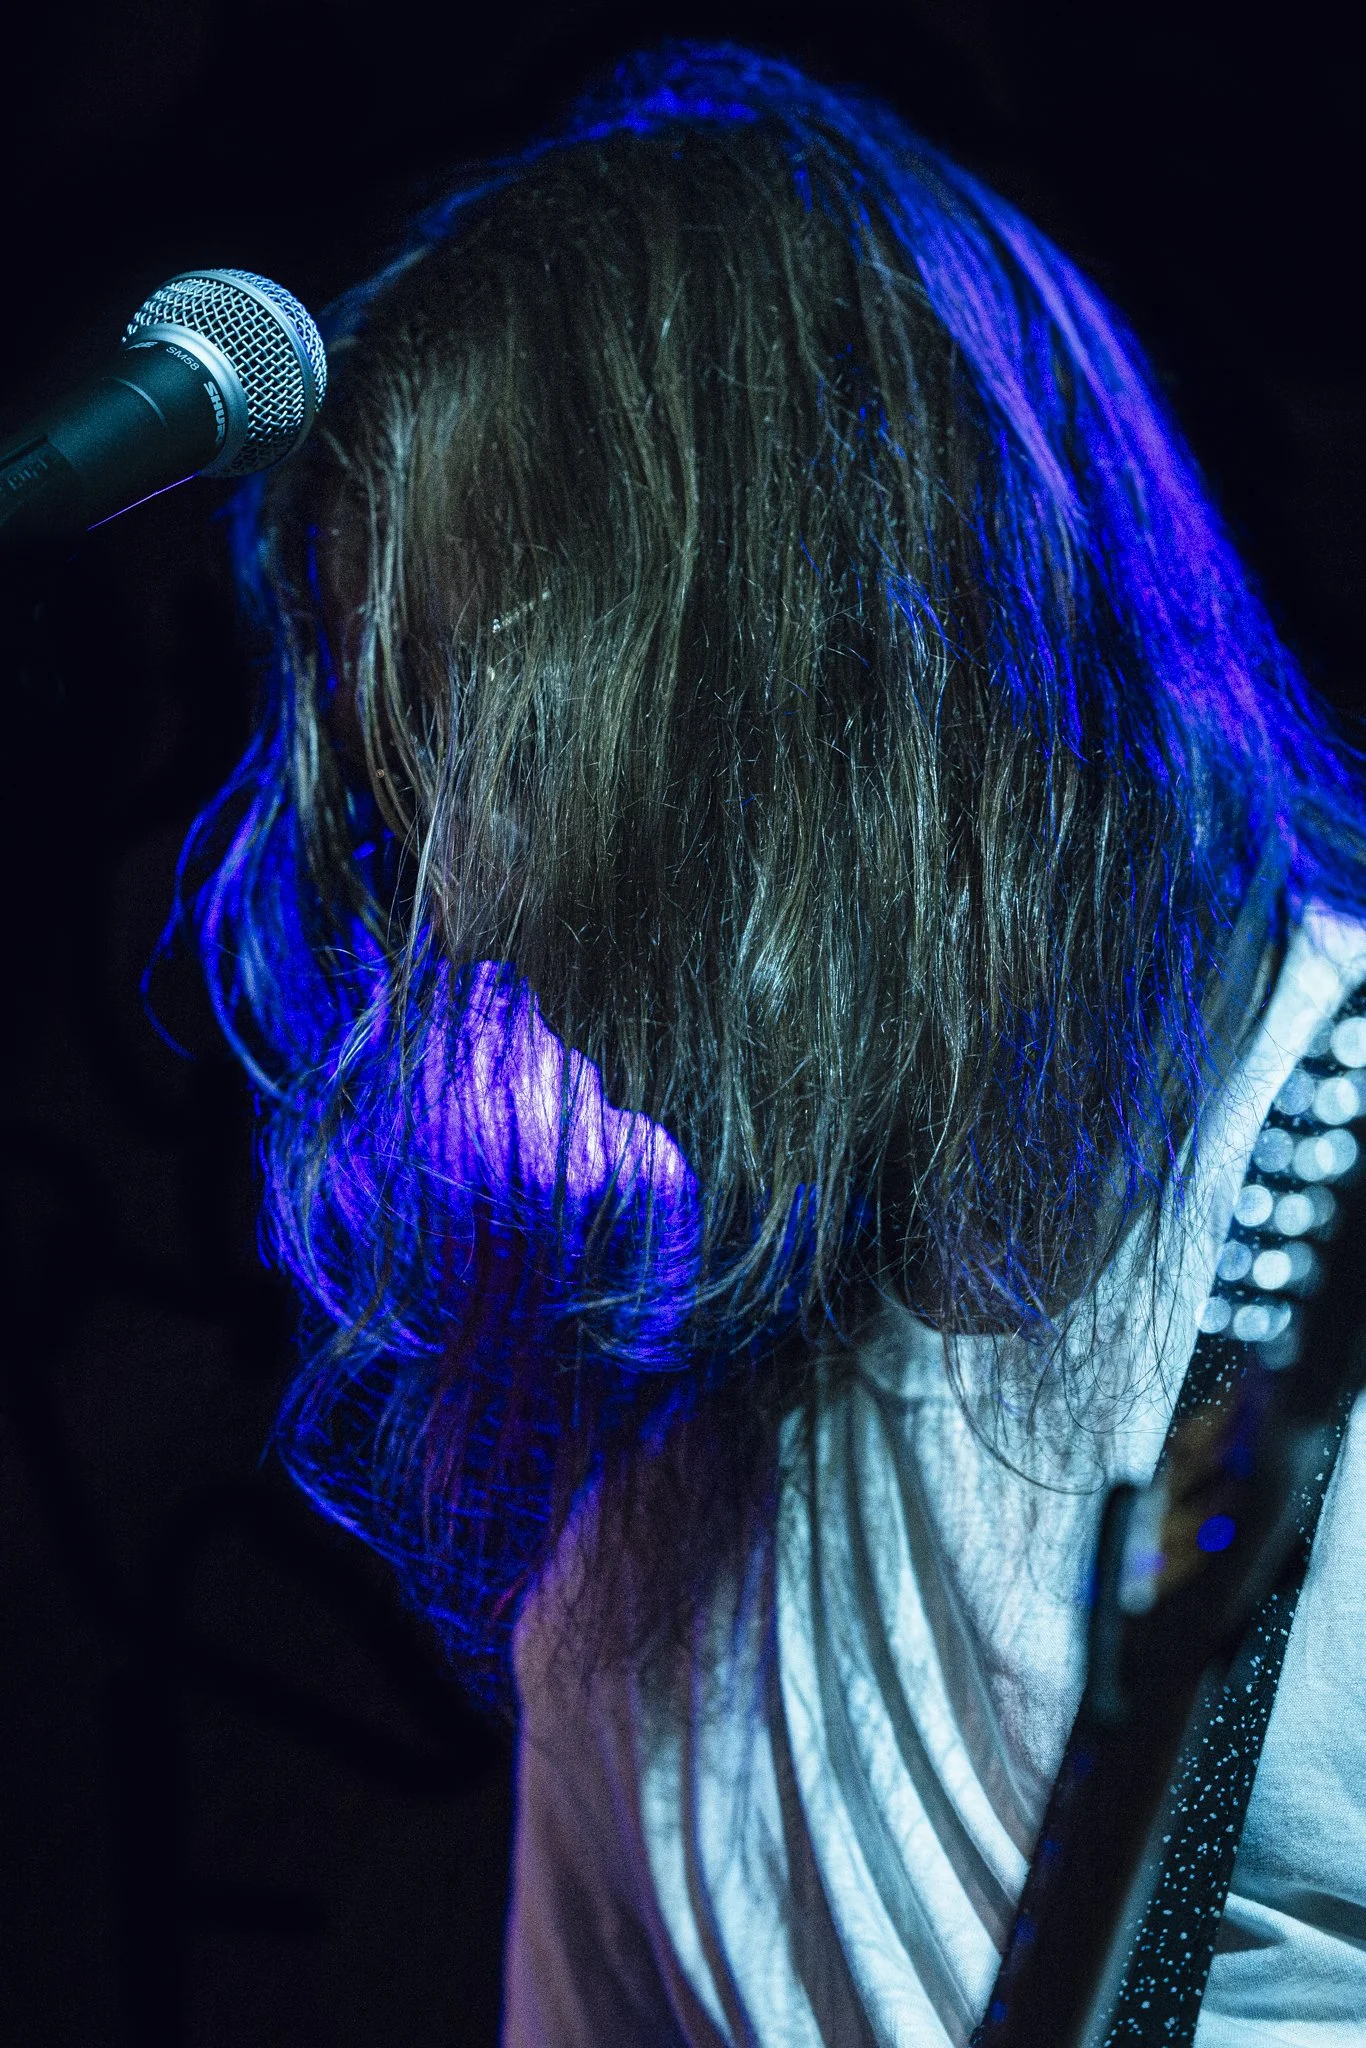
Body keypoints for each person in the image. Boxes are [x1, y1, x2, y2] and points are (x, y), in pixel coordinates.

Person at [188, 42, 1366, 2045]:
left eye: (515, 727)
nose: (457, 911)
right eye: (409, 786)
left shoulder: (1323, 1215)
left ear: (857, 613)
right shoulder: (645, 1548)